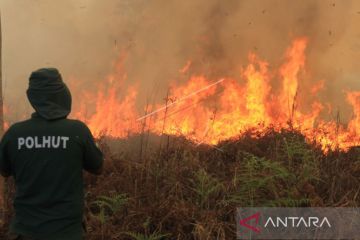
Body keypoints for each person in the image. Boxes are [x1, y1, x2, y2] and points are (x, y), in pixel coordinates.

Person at [0, 68, 103, 240]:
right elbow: (98, 167)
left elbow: (4, 171)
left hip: (25, 232)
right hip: (68, 233)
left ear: (33, 98)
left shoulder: (14, 134)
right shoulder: (77, 131)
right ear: (61, 96)